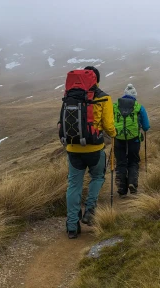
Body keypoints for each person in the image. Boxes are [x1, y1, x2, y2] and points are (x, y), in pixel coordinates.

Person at [59, 66, 116, 239]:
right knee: (97, 177)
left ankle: (71, 226)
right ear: (96, 80)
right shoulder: (103, 98)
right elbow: (109, 126)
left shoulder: (70, 97)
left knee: (74, 184)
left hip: (72, 148)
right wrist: (113, 134)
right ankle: (90, 211)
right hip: (94, 148)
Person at [113, 84, 150, 197]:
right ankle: (132, 183)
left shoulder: (114, 106)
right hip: (134, 139)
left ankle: (121, 187)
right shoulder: (139, 107)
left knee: (121, 162)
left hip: (118, 139)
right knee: (133, 161)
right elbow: (146, 126)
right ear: (135, 96)